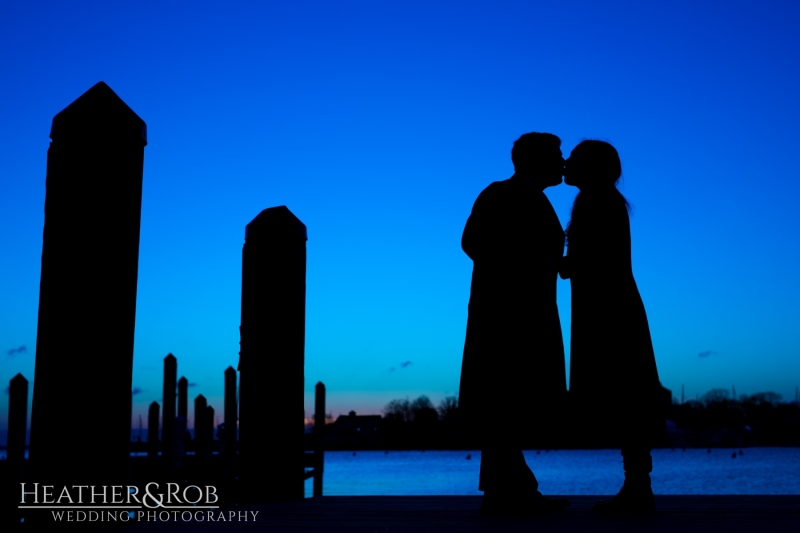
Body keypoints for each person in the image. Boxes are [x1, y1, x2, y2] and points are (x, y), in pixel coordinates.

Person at [458, 132, 569, 515]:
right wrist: (536, 261)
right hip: (506, 318)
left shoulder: (533, 198)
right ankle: (514, 490)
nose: (563, 161)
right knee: (505, 399)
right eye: (557, 155)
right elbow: (474, 242)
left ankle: (505, 490)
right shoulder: (500, 193)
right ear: (534, 160)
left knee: (507, 403)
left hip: (527, 313)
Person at [560, 140, 664, 514]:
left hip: (608, 311)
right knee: (629, 396)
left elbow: (590, 261)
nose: (566, 163)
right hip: (613, 306)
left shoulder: (595, 202)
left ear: (592, 167)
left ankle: (638, 489)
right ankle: (637, 486)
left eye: (574, 159)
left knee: (626, 395)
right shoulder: (603, 200)